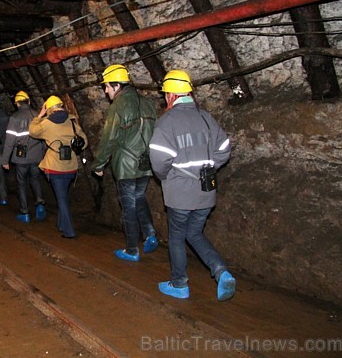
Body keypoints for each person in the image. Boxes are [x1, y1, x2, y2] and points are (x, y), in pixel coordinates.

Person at [149, 69, 235, 301]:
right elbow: (225, 148)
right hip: (206, 191)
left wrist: (167, 175)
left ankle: (179, 284)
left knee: (177, 236)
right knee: (194, 233)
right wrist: (208, 167)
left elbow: (158, 161)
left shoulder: (167, 122)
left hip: (180, 193)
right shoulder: (205, 117)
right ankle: (221, 271)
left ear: (170, 96)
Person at [92, 64, 159, 263]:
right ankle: (150, 233)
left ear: (116, 85)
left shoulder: (118, 105)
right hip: (146, 162)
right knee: (139, 197)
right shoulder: (148, 103)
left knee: (128, 205)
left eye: (107, 86)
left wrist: (98, 164)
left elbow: (109, 138)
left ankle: (131, 249)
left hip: (127, 164)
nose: (105, 91)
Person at [29, 95, 87, 238]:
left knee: (61, 198)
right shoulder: (72, 121)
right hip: (71, 166)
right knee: (63, 196)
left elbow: (32, 131)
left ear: (49, 109)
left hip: (55, 166)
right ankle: (61, 224)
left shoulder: (47, 123)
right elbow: (84, 142)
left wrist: (39, 116)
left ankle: (69, 231)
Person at [2, 91, 46, 222]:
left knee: (21, 183)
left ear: (17, 104)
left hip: (21, 158)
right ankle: (40, 205)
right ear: (29, 101)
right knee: (35, 179)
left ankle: (25, 212)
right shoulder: (37, 115)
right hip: (36, 156)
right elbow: (43, 137)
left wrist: (5, 160)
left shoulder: (14, 118)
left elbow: (10, 142)